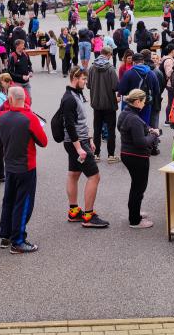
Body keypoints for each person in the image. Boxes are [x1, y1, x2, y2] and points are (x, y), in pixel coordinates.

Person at [0, 86, 47, 253]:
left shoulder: (2, 117)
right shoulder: (29, 118)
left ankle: (5, 234)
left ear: (10, 99)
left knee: (8, 201)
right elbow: (43, 141)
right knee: (23, 204)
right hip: (26, 166)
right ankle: (18, 240)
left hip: (10, 165)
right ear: (24, 100)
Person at [60, 68, 109, 228]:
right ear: (75, 78)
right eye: (83, 79)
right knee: (94, 176)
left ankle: (74, 212)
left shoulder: (77, 94)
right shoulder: (69, 98)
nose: (85, 82)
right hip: (76, 143)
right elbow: (69, 125)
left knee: (74, 174)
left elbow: (80, 121)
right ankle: (88, 216)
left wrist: (89, 139)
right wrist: (79, 148)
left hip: (80, 141)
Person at [117, 89, 160, 229]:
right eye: (143, 101)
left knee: (136, 186)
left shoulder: (124, 113)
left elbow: (122, 129)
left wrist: (146, 131)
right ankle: (135, 220)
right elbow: (141, 142)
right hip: (137, 156)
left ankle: (135, 212)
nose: (144, 104)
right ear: (137, 101)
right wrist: (154, 135)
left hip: (127, 154)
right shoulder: (134, 119)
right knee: (139, 188)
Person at [88, 46, 119, 163]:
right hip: (109, 104)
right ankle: (111, 155)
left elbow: (88, 85)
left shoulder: (92, 68)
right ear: (109, 54)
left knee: (97, 129)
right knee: (111, 130)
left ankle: (96, 154)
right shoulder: (110, 69)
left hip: (96, 103)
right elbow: (115, 86)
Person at [116, 52, 159, 127]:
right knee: (144, 124)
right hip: (146, 103)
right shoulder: (151, 73)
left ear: (133, 62)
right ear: (143, 61)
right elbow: (157, 90)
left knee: (131, 124)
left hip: (132, 104)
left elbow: (122, 90)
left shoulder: (128, 73)